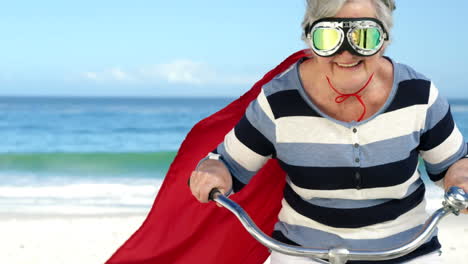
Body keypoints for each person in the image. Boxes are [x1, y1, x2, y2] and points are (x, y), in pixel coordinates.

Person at [189, 0, 468, 263]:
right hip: (304, 253)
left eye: (364, 36)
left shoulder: (419, 94)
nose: (346, 52)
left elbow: (453, 164)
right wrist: (213, 172)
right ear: (309, 39)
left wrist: (462, 179)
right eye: (329, 37)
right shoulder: (277, 102)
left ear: (384, 40)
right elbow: (226, 164)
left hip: (409, 249)